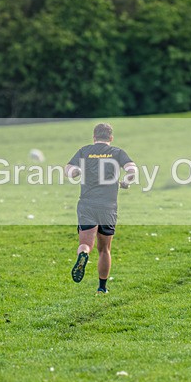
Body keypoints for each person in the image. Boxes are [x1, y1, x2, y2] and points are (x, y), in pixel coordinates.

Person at [64, 123, 136, 294]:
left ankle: (84, 254)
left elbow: (68, 169)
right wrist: (126, 182)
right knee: (104, 249)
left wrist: (74, 172)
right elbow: (132, 170)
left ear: (94, 137)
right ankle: (102, 288)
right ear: (111, 138)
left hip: (87, 204)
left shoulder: (84, 150)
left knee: (85, 244)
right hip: (108, 206)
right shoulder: (117, 152)